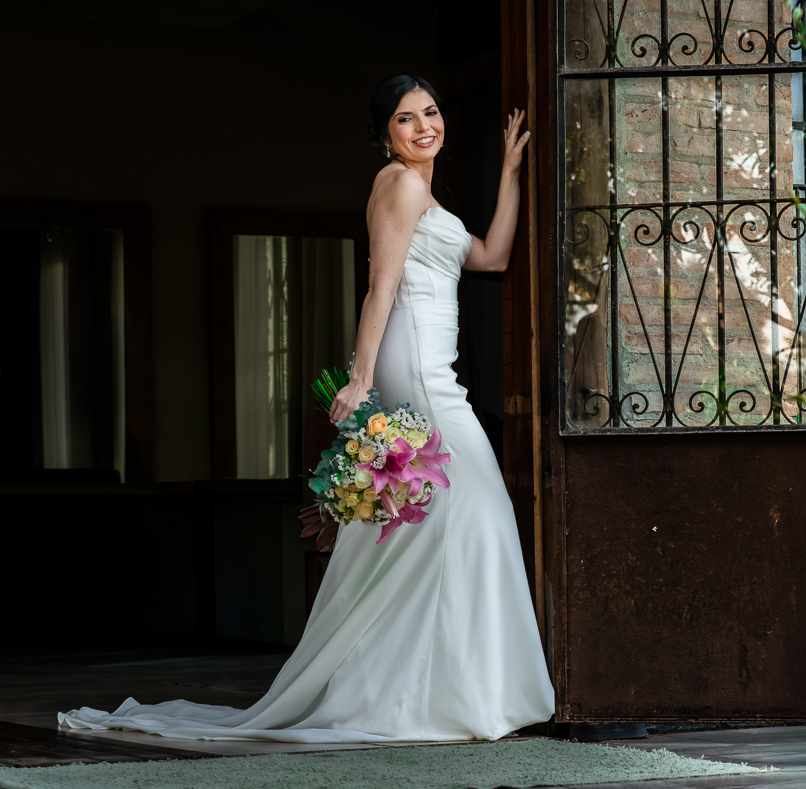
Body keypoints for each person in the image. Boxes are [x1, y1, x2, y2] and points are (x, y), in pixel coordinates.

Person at [59, 75, 555, 742]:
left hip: (434, 366)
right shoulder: (400, 186)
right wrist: (360, 377)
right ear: (385, 136)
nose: (424, 126)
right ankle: (453, 694)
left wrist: (509, 170)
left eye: (431, 112)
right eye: (406, 120)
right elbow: (380, 286)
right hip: (420, 372)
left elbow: (491, 257)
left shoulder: (423, 192)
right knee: (479, 507)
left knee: (432, 524)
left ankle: (441, 689)